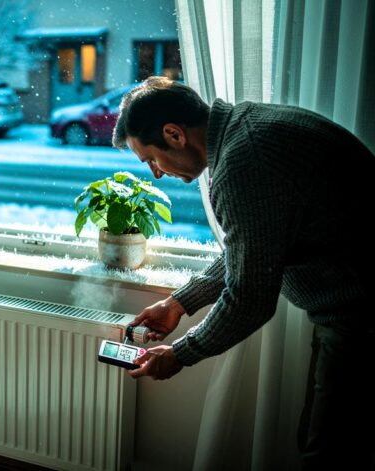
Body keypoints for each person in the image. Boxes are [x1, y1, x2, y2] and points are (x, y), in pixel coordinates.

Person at [112, 76, 374, 469]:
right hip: (349, 309)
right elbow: (255, 247)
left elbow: (250, 298)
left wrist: (181, 354)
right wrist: (181, 302)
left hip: (361, 315)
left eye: (149, 158)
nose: (156, 173)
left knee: (327, 453)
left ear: (174, 134)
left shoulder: (244, 163)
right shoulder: (246, 128)